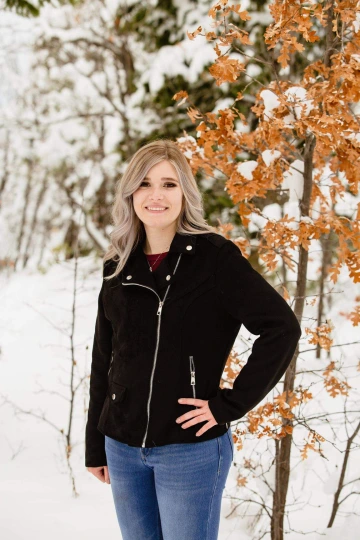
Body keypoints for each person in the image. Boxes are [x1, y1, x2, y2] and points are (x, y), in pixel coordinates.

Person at [85, 139, 302, 540]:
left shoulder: (215, 259)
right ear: (130, 193)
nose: (155, 195)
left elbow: (281, 328)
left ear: (185, 191)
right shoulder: (118, 265)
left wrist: (229, 405)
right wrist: (95, 443)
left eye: (169, 184)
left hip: (190, 450)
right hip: (122, 445)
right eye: (144, 183)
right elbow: (105, 357)